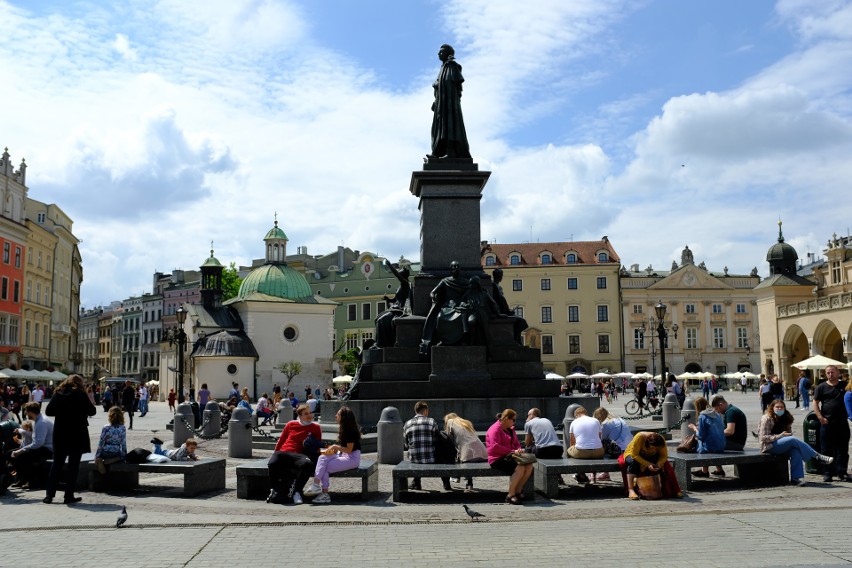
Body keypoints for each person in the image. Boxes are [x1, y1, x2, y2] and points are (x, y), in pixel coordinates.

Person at [43, 374, 96, 504]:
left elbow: (49, 411)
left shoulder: (58, 393)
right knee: (73, 465)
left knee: (57, 464)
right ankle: (68, 495)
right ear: (79, 383)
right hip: (77, 433)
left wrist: (62, 412)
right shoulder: (80, 394)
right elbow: (92, 411)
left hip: (60, 433)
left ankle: (49, 495)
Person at [760, 399, 834, 485]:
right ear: (772, 408)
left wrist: (787, 435)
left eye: (782, 407)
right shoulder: (766, 418)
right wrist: (780, 436)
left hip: (782, 444)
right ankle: (817, 456)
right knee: (792, 439)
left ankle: (796, 478)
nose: (780, 409)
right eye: (777, 407)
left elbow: (788, 434)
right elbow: (763, 437)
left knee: (796, 451)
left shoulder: (786, 417)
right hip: (769, 446)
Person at [303, 406, 362, 504]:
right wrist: (332, 449)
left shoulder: (350, 431)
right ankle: (316, 485)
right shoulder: (345, 428)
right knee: (323, 457)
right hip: (344, 455)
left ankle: (324, 493)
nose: (335, 416)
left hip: (352, 459)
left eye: (338, 414)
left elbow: (349, 450)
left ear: (343, 417)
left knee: (325, 466)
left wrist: (335, 447)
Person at [267, 404, 322, 505]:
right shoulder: (291, 424)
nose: (309, 415)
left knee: (307, 464)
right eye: (306, 414)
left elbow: (316, 445)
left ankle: (297, 491)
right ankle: (275, 489)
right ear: (300, 416)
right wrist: (275, 453)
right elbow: (282, 440)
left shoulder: (316, 427)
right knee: (272, 464)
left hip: (299, 454)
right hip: (284, 451)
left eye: (310, 413)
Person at [428, 44, 470, 160]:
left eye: (441, 52)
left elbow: (452, 84)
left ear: (448, 54)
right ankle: (438, 152)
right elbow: (439, 86)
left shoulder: (451, 66)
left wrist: (445, 99)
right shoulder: (443, 68)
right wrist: (437, 100)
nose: (438, 54)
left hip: (449, 105)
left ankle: (450, 152)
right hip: (441, 104)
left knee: (448, 126)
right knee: (438, 128)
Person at [812, 365, 851, 482]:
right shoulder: (821, 387)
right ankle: (827, 472)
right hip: (827, 423)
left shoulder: (845, 386)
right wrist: (820, 417)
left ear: (838, 373)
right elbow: (815, 402)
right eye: (828, 372)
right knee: (825, 449)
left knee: (843, 449)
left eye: (832, 372)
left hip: (842, 422)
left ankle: (841, 472)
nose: (830, 374)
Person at [486, 409, 532, 505]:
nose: (514, 422)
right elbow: (495, 447)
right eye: (513, 420)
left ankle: (518, 491)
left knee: (529, 466)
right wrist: (512, 451)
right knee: (520, 467)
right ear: (506, 419)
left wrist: (519, 449)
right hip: (497, 458)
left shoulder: (510, 429)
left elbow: (516, 443)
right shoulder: (495, 429)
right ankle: (510, 495)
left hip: (510, 456)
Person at [620, 432, 682, 500]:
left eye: (656, 448)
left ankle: (671, 488)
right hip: (632, 454)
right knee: (633, 463)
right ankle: (631, 490)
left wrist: (659, 463)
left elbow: (663, 455)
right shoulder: (639, 437)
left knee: (665, 464)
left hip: (650, 455)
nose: (654, 449)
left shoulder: (661, 440)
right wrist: (647, 464)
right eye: (652, 447)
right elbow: (634, 454)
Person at [8, 402, 53, 489]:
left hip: (47, 449)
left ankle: (30, 480)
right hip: (41, 447)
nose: (25, 414)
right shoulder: (37, 420)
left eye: (26, 412)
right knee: (10, 453)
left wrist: (21, 450)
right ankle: (23, 478)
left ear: (30, 412)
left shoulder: (41, 422)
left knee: (21, 456)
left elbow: (38, 443)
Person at [444, 413, 488, 491]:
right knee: (466, 456)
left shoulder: (450, 421)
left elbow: (449, 440)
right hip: (482, 452)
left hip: (468, 453)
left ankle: (455, 478)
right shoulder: (466, 422)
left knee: (462, 457)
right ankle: (469, 483)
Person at [403, 401, 441, 491]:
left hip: (414, 459)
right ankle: (446, 483)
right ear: (426, 411)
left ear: (416, 411)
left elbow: (406, 444)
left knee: (416, 451)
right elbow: (437, 440)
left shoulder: (407, 424)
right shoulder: (432, 422)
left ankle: (416, 482)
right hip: (431, 458)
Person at [687, 396, 725, 478]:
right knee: (711, 442)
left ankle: (704, 471)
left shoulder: (702, 416)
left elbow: (701, 436)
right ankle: (719, 470)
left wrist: (694, 428)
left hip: (710, 447)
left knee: (700, 443)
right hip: (721, 444)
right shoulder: (716, 414)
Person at [709, 395, 748, 477]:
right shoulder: (730, 410)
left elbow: (730, 431)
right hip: (735, 441)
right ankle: (716, 470)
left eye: (717, 409)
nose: (718, 412)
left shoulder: (731, 412)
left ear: (721, 404)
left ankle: (715, 470)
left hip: (735, 443)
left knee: (708, 444)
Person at [592, 407, 632, 481]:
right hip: (630, 448)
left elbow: (600, 439)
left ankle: (603, 472)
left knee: (601, 444)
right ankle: (605, 473)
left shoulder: (605, 424)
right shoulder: (619, 419)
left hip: (621, 451)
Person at [94, 406, 127, 474]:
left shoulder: (106, 427)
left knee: (99, 459)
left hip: (106, 451)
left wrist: (97, 455)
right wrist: (124, 455)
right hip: (116, 451)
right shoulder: (122, 428)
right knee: (120, 457)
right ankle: (115, 459)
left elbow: (101, 442)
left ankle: (103, 466)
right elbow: (123, 443)